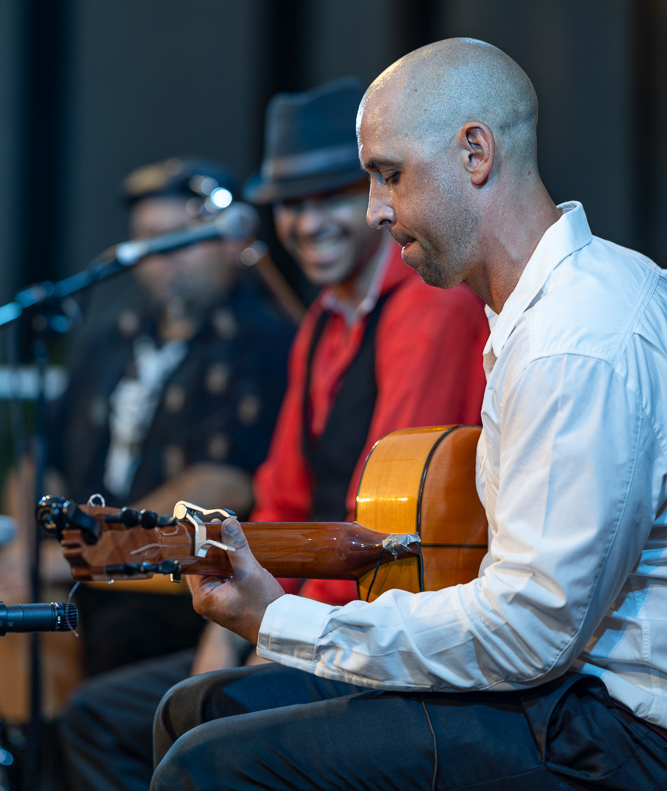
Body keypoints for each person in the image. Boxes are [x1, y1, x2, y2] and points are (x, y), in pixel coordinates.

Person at [150, 41, 667, 790]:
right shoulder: (549, 308)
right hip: (558, 692)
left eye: (389, 174)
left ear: (475, 154)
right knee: (198, 708)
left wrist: (282, 622)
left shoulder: (572, 341)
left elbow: (531, 630)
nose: (375, 210)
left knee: (209, 765)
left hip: (615, 728)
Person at [58, 76, 489, 791]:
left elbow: (385, 520)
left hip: (388, 629)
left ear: (375, 198)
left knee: (197, 722)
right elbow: (282, 499)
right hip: (313, 616)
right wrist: (225, 637)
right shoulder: (321, 321)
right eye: (291, 204)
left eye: (330, 198)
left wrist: (277, 632)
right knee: (103, 715)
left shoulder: (427, 305)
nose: (307, 223)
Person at [0, 156, 295, 676]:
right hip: (79, 569)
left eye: (181, 238)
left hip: (173, 586)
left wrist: (97, 550)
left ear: (231, 242)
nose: (165, 258)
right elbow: (41, 455)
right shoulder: (113, 334)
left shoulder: (264, 341)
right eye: (149, 240)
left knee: (116, 639)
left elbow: (223, 483)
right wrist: (25, 550)